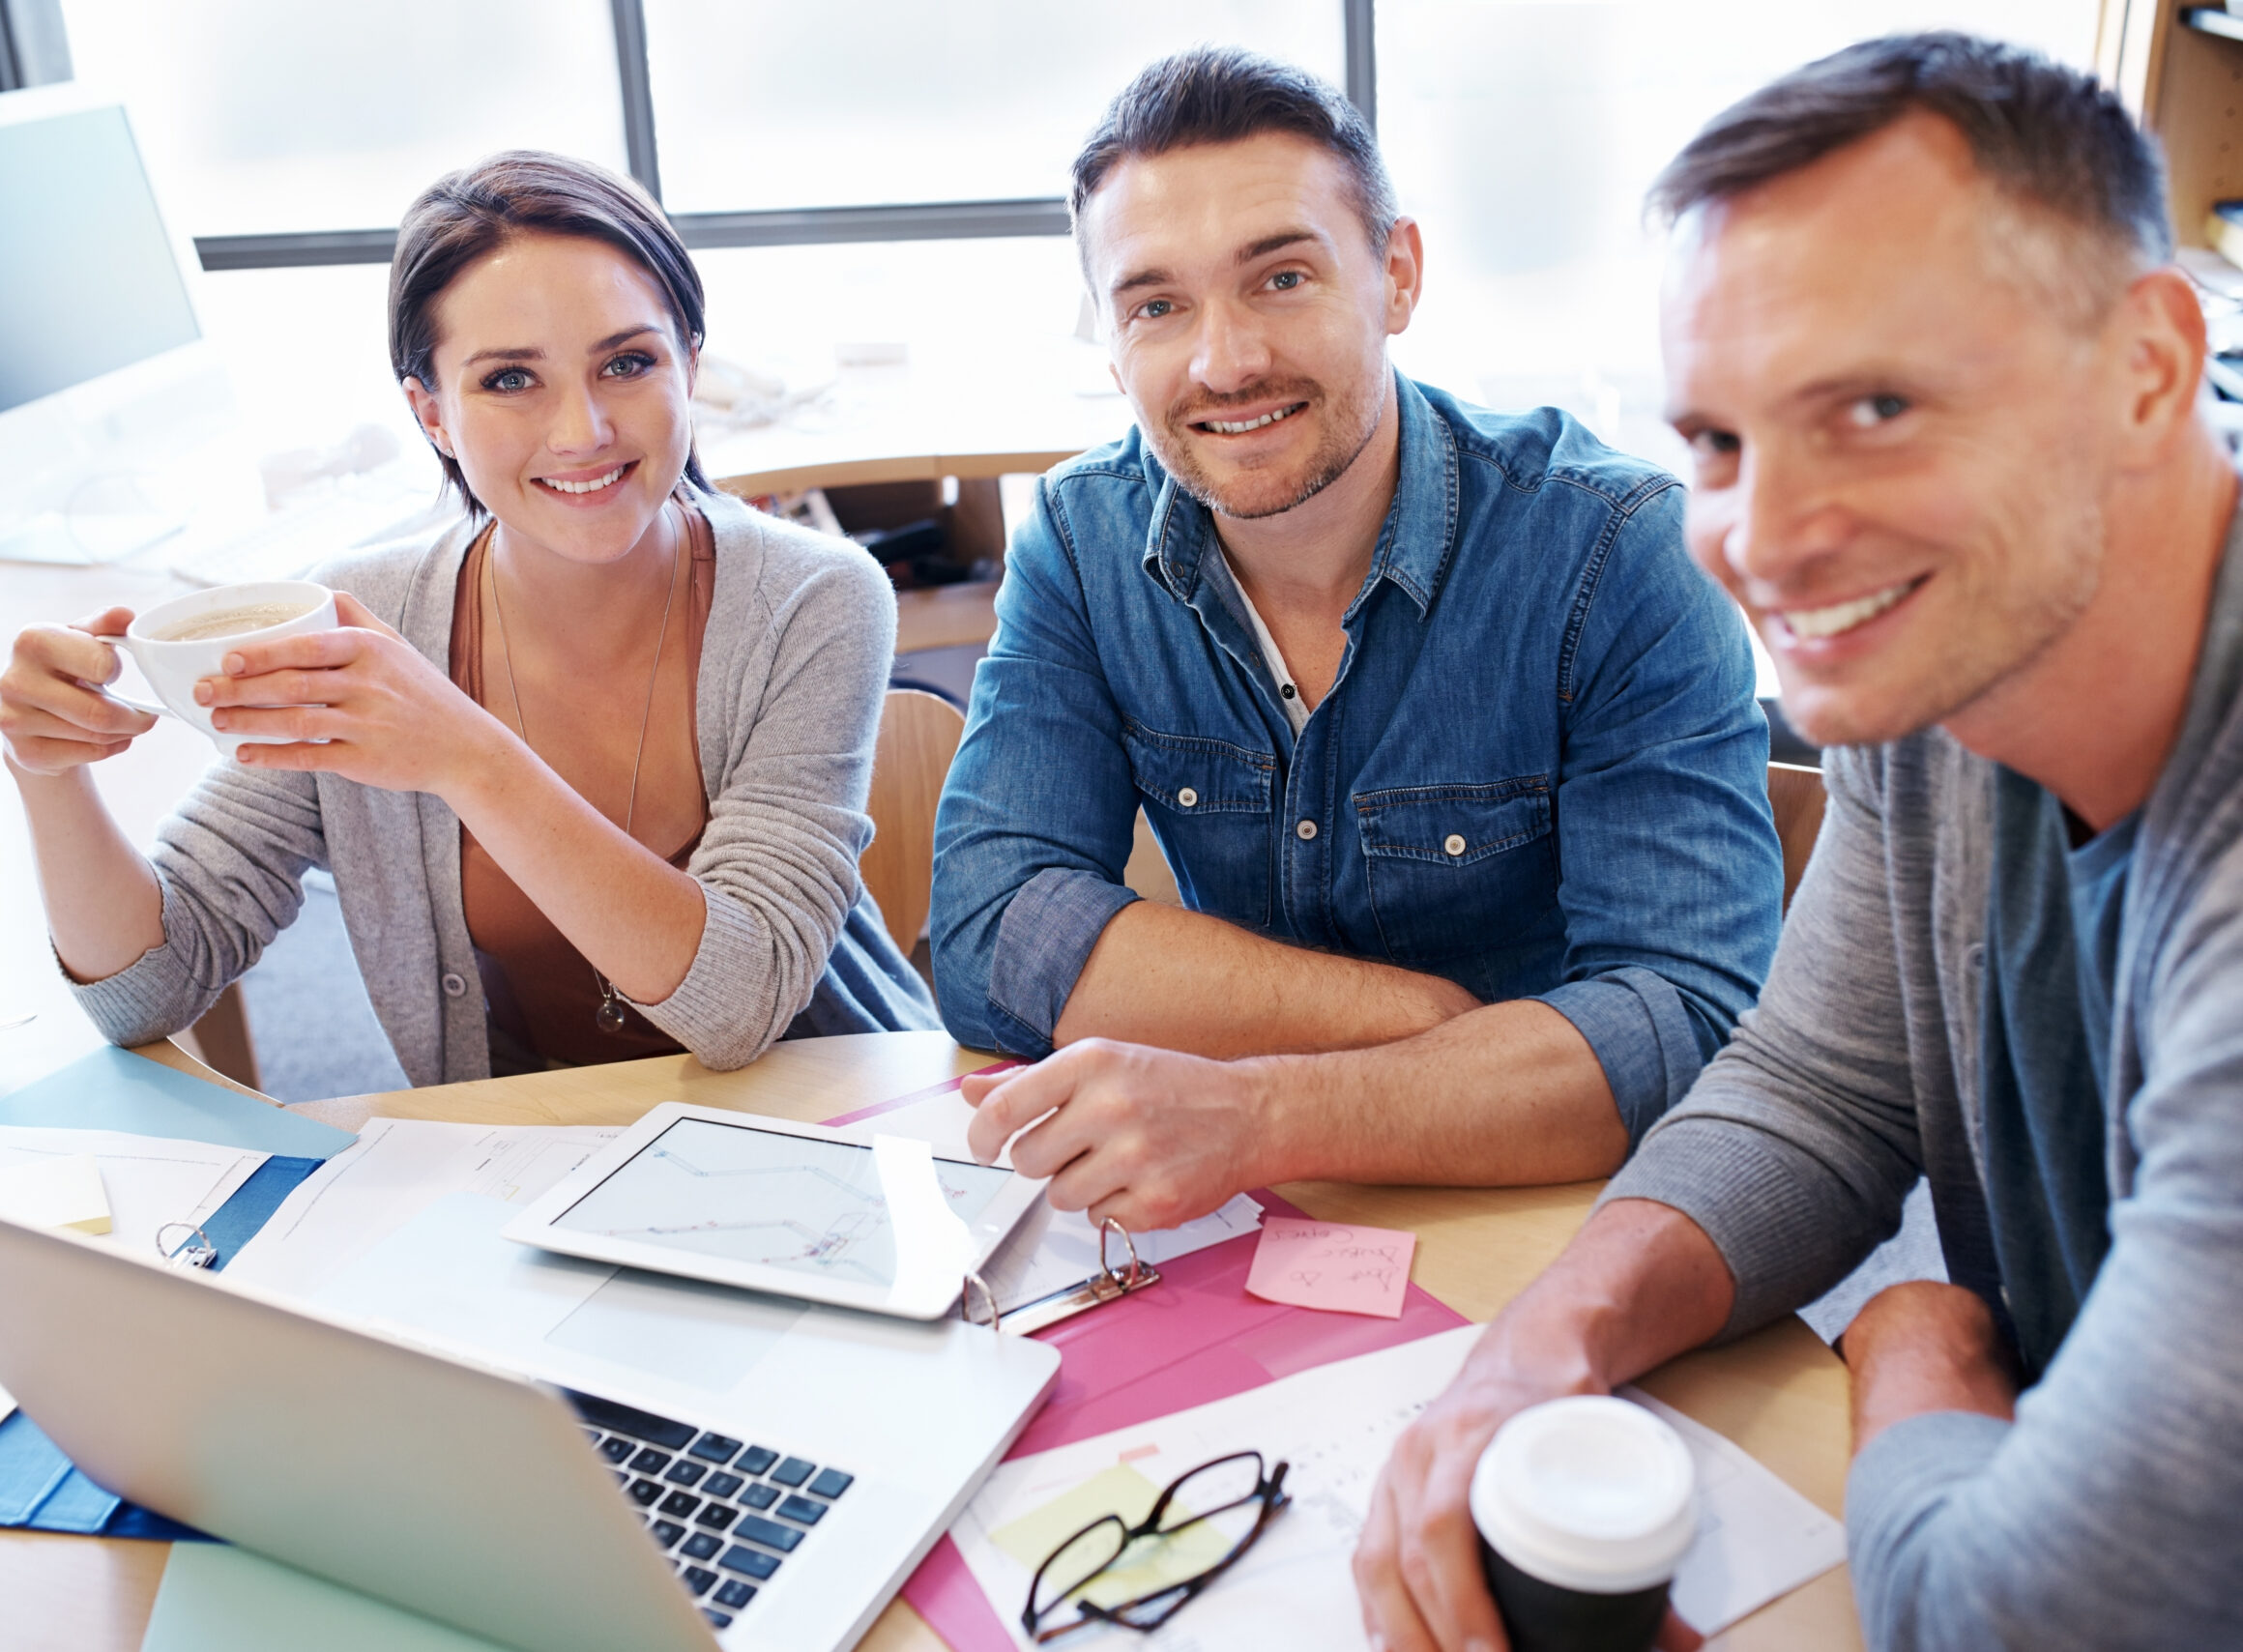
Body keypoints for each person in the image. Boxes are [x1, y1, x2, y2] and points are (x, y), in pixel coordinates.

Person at [1354, 35, 2243, 1651]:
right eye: (1717, 440)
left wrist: (1917, 1349)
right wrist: (1541, 1346)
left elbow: (2032, 1612)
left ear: (2150, 364)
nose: (1762, 534)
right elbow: (1821, 1087)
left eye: (1878, 405)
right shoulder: (1952, 680)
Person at [932, 48, 1782, 1232]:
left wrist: (1264, 1110)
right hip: (1233, 1206)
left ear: (1396, 274)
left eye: (1280, 277)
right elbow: (989, 928)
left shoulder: (1613, 548)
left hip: (1541, 1206)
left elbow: (1686, 1024)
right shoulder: (1080, 538)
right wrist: (1431, 1027)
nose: (1223, 362)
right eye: (1156, 304)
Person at [0, 151, 938, 1082]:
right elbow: (145, 990)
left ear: (691, 365)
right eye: (509, 380)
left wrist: (463, 754)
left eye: (627, 362)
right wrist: (47, 771)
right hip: (525, 1162)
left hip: (824, 1119)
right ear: (431, 412)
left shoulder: (813, 598)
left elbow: (738, 1008)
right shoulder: (364, 619)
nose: (582, 430)